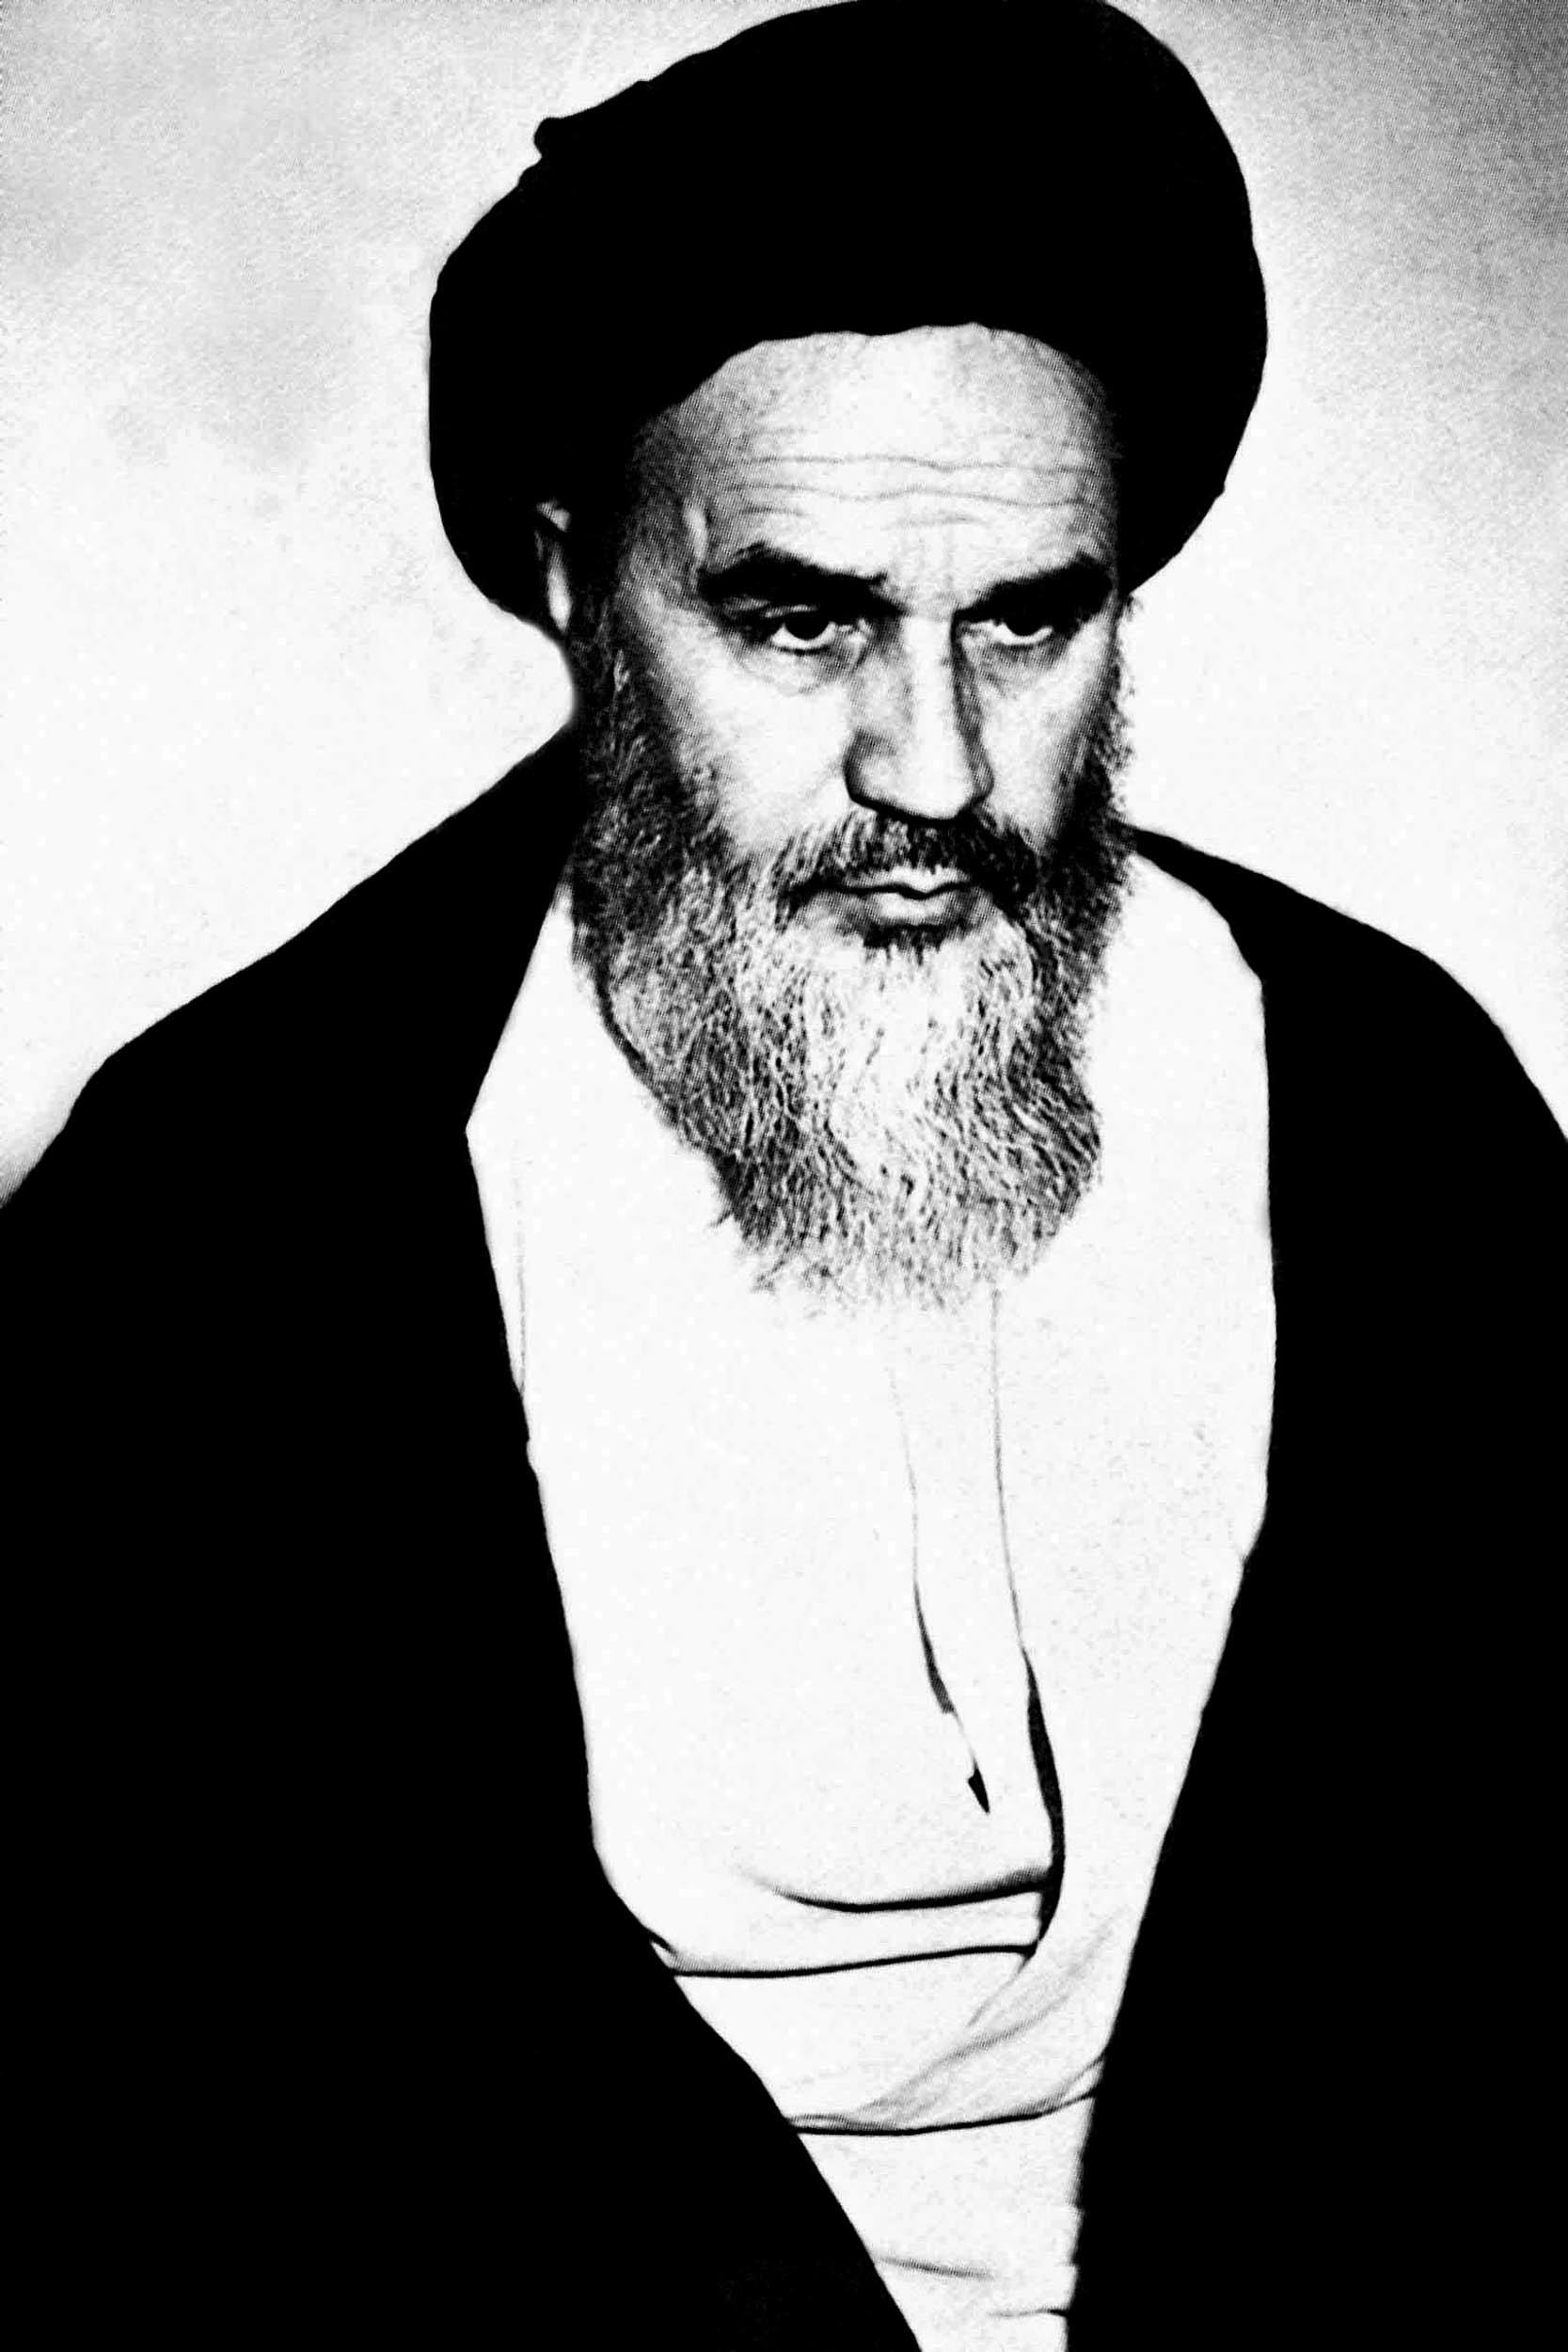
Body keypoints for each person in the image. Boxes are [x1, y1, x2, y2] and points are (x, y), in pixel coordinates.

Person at [7, 3, 1562, 2344]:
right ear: (575, 586)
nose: (932, 764)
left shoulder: (1388, 1108)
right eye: (800, 615)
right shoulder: (219, 1218)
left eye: (1029, 618)